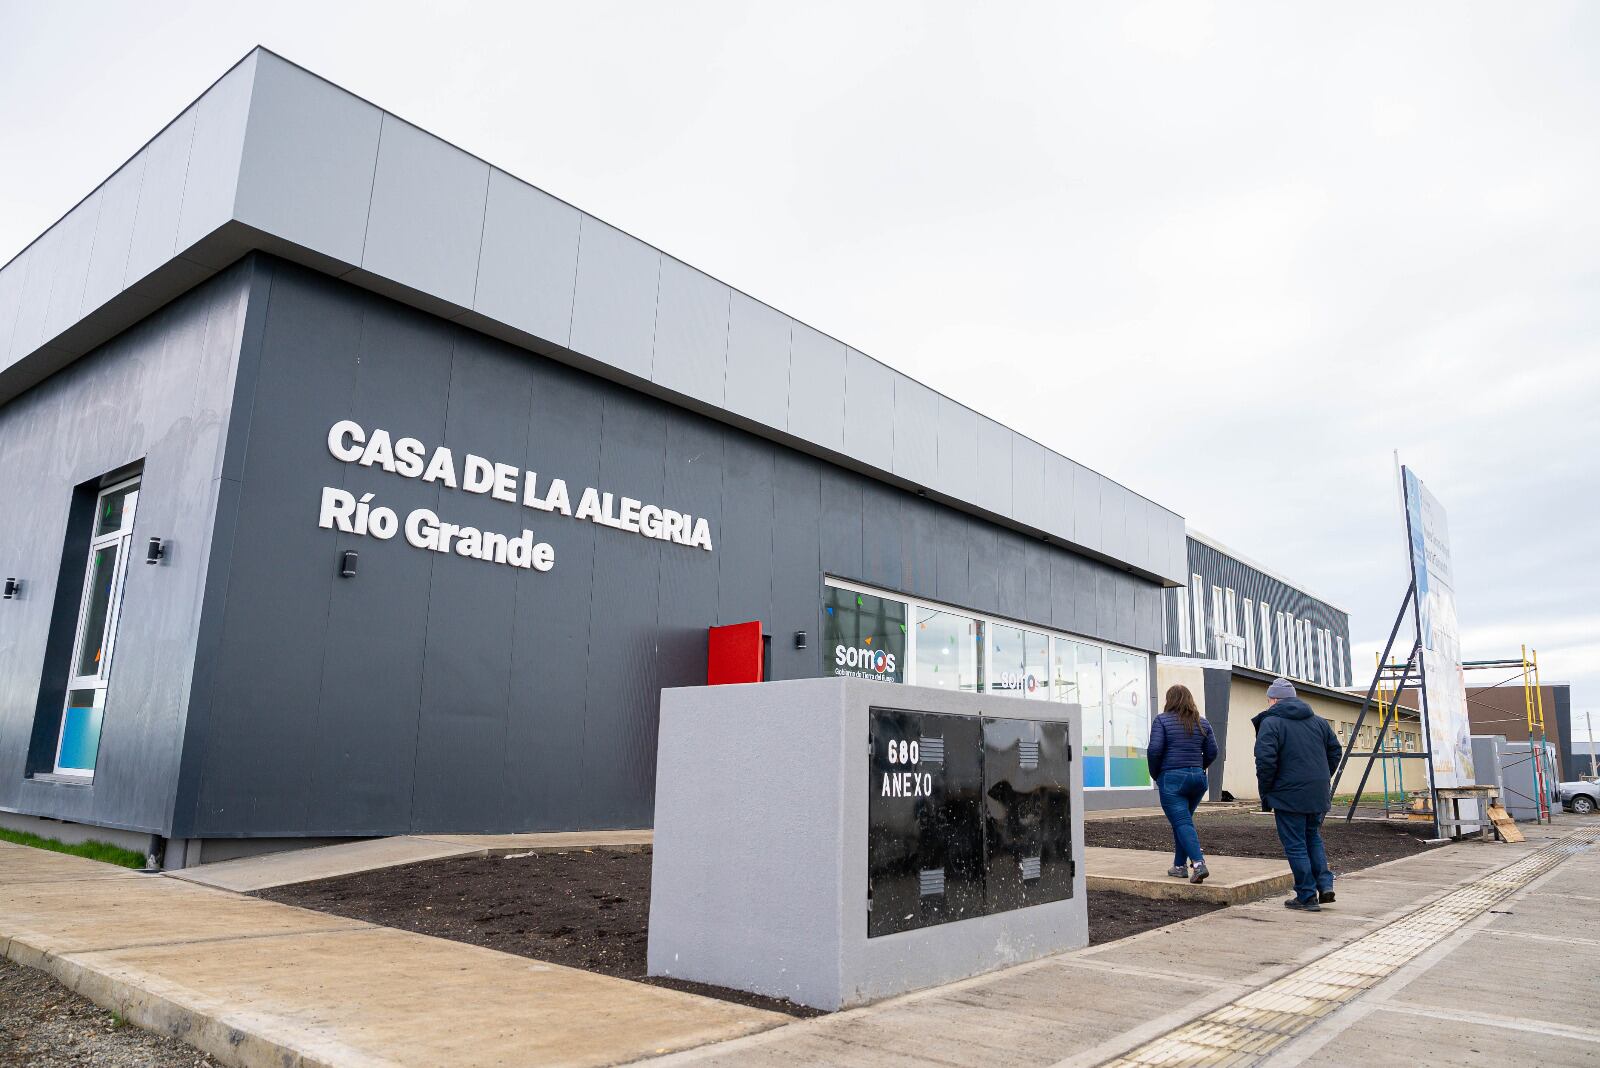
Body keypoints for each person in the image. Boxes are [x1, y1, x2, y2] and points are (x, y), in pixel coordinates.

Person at [1253, 677, 1342, 911]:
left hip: (1288, 794)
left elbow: (1265, 760)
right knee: (1312, 837)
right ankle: (1324, 885)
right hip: (1317, 792)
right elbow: (1335, 752)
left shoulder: (1271, 723)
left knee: (1295, 844)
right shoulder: (1319, 722)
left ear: (1273, 699)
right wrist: (1322, 777)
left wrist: (1268, 789)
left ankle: (1306, 895)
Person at [1147, 684, 1218, 884]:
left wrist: (1156, 774)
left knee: (1182, 822)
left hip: (1172, 779)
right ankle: (1179, 867)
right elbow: (1213, 751)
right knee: (1182, 822)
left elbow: (1154, 750)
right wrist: (1198, 767)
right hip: (1198, 779)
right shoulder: (1202, 723)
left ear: (1169, 700)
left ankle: (1198, 864)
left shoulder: (1162, 720)